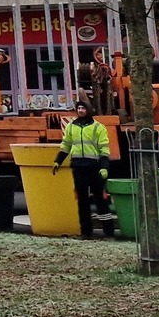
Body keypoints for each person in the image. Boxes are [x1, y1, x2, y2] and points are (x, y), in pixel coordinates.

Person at [53, 101, 117, 238]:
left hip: (94, 168)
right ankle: (86, 232)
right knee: (82, 201)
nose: (81, 110)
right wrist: (58, 161)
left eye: (83, 108)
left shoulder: (98, 128)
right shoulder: (70, 127)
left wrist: (104, 167)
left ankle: (109, 232)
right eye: (79, 108)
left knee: (101, 200)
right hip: (78, 167)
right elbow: (66, 145)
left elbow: (104, 149)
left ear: (89, 110)